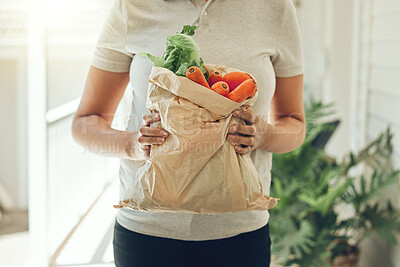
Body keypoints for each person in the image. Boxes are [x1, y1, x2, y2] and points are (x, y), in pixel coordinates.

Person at [71, 0, 305, 266]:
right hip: (147, 234)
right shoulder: (132, 6)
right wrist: (134, 145)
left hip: (240, 234)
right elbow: (86, 123)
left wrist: (263, 135)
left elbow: (294, 123)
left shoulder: (275, 8)